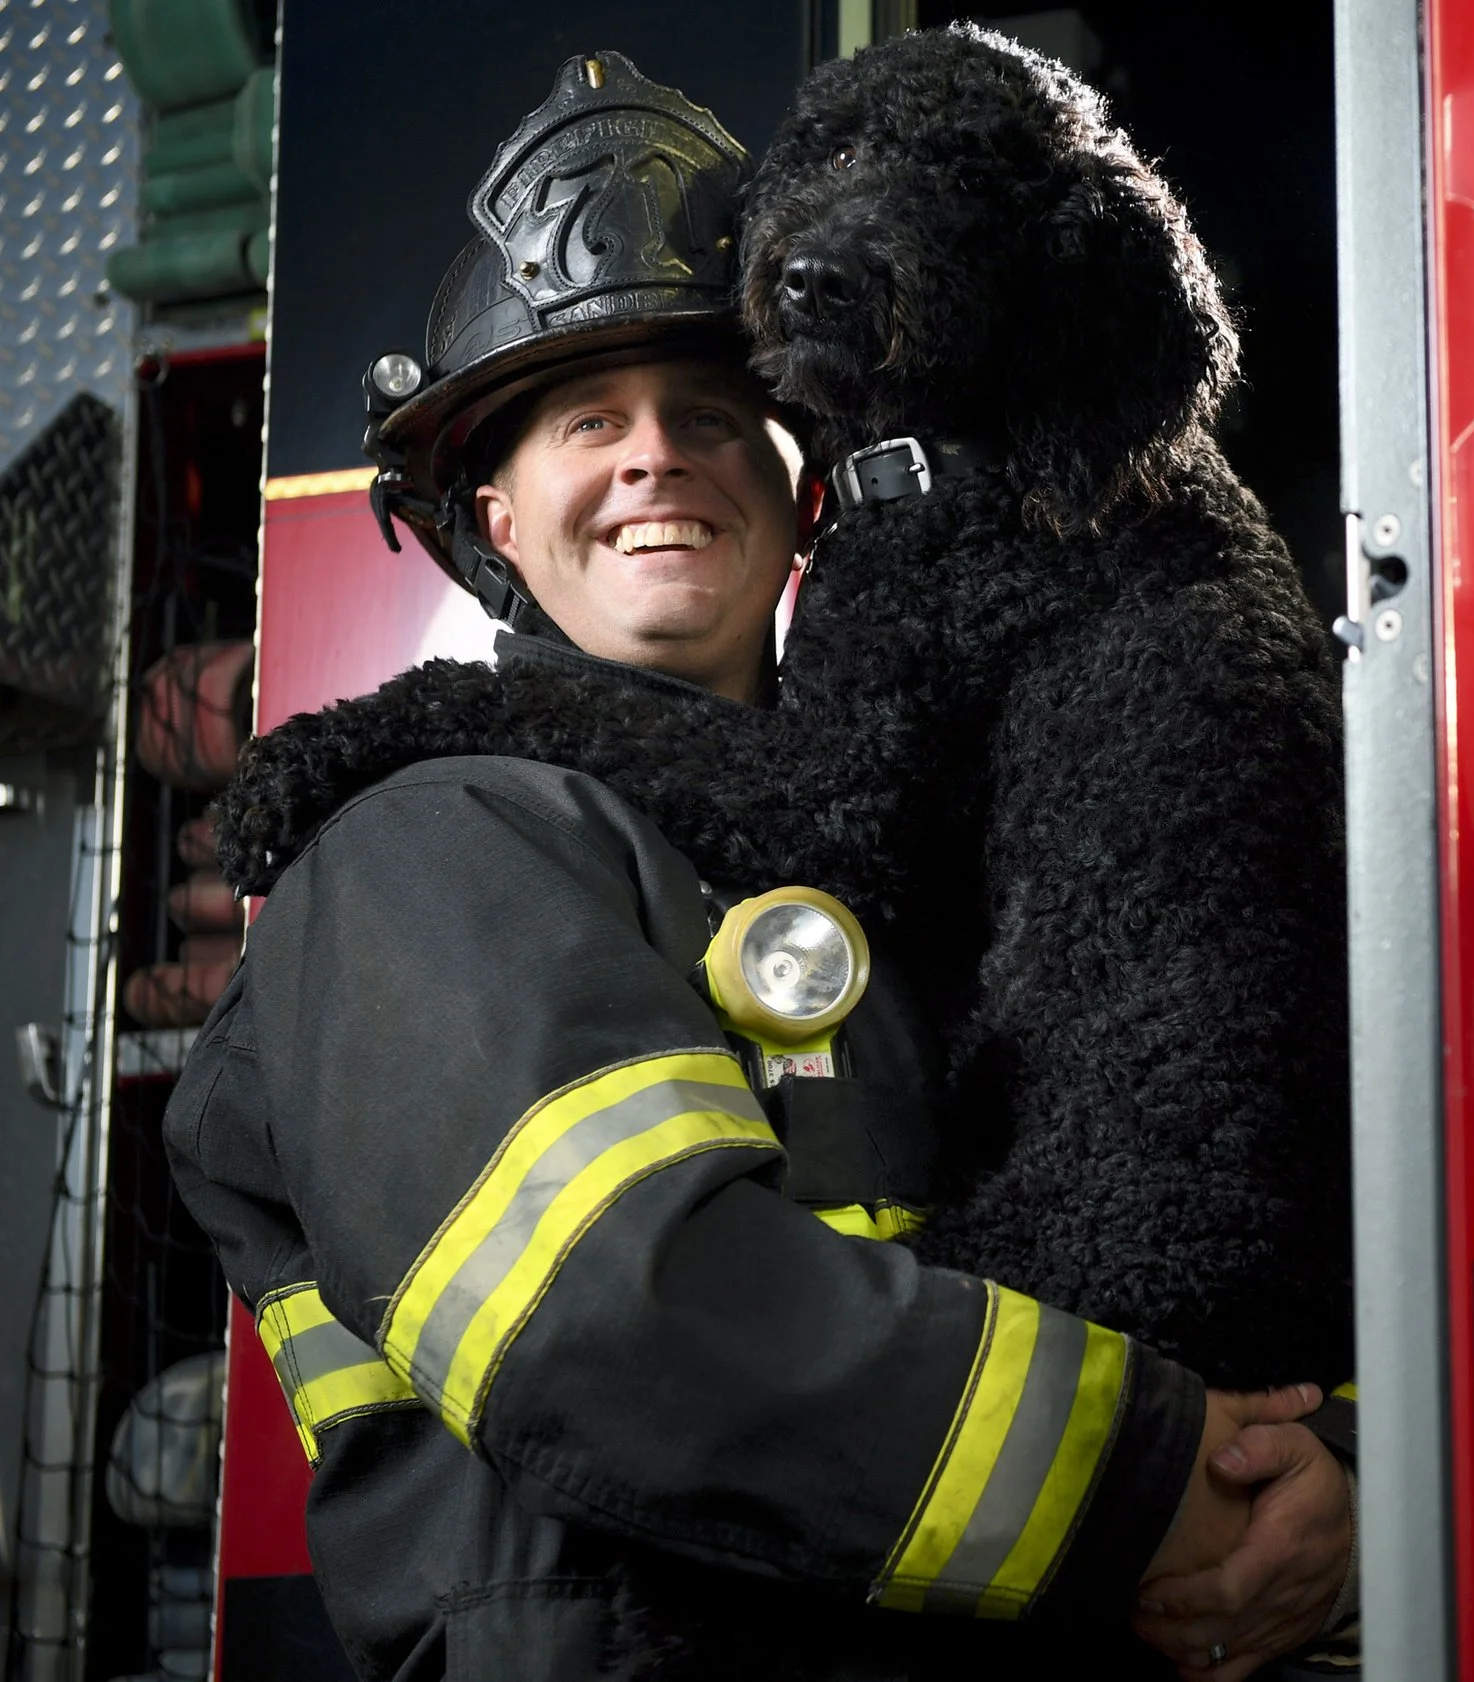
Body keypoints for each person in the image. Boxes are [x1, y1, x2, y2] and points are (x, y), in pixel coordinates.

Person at [169, 53, 1352, 1679]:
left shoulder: (933, 835)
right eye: (588, 419)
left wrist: (1316, 1474)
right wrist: (1163, 1484)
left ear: (810, 500)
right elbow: (619, 1312)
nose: (657, 455)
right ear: (494, 521)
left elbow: (1211, 1126)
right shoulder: (423, 838)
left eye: (713, 415)